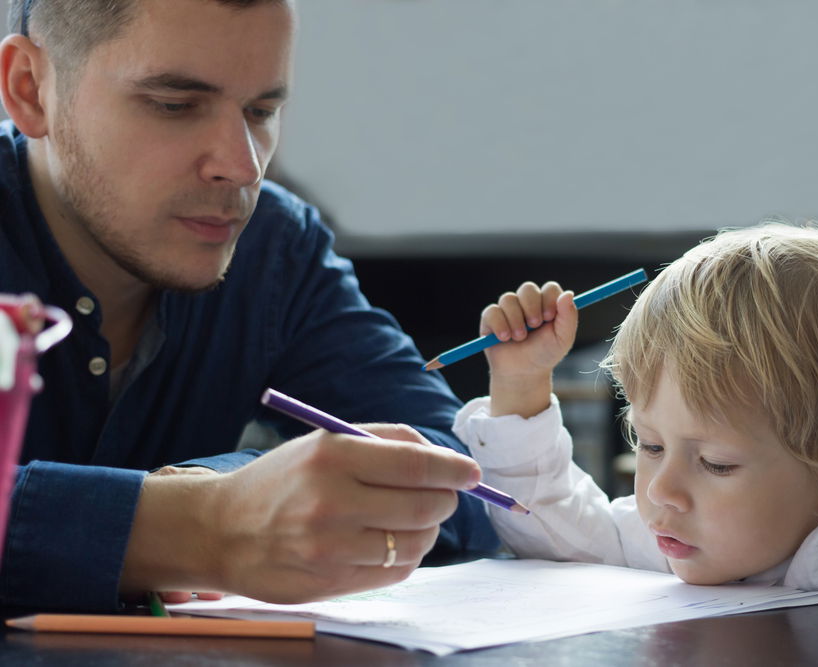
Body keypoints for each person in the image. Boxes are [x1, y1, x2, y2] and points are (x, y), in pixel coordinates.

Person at [0, 0, 498, 611]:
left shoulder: (274, 248)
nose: (243, 167)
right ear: (30, 89)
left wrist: (225, 491)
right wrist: (194, 524)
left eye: (262, 111)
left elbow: (465, 474)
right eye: (174, 106)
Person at [454, 223, 818, 619]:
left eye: (715, 464)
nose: (662, 492)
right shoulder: (668, 536)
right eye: (648, 445)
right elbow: (553, 533)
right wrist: (520, 388)